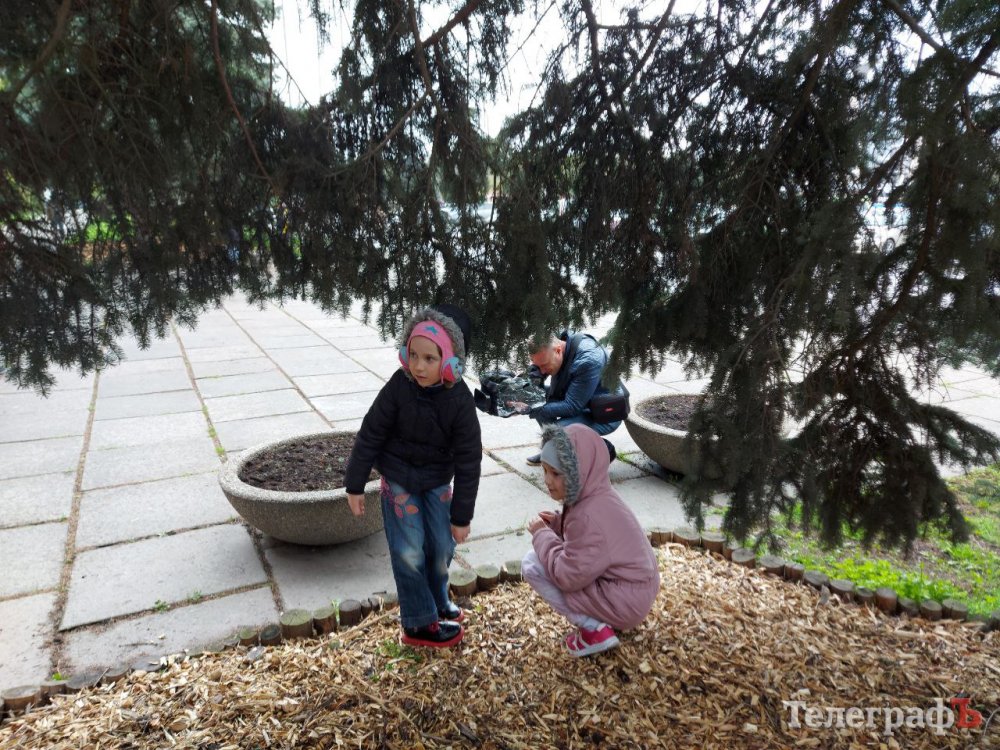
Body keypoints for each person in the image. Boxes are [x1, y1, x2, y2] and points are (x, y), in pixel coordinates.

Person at [344, 304, 482, 648]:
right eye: (414, 355)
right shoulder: (399, 386)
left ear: (451, 362)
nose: (419, 366)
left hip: (436, 480)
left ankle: (436, 601)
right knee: (409, 551)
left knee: (441, 545)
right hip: (399, 480)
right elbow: (371, 432)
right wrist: (355, 484)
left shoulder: (460, 401)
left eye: (430, 358)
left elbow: (469, 459)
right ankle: (419, 623)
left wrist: (461, 516)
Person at [522, 423, 660, 657]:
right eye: (544, 470)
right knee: (547, 557)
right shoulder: (597, 494)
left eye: (556, 473)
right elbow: (589, 544)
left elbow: (567, 576)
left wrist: (541, 535)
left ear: (579, 472)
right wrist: (557, 524)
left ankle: (594, 630)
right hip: (634, 592)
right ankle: (603, 619)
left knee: (532, 564)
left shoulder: (587, 517)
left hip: (626, 602)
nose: (547, 480)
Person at [513, 331, 625, 465]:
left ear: (558, 350)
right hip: (575, 397)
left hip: (602, 413)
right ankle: (553, 449)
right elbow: (541, 379)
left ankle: (602, 449)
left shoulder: (588, 360)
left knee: (556, 430)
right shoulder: (559, 341)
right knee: (536, 399)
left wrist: (530, 409)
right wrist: (534, 379)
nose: (542, 370)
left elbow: (572, 406)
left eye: (544, 365)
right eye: (538, 365)